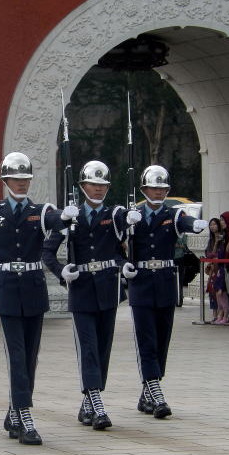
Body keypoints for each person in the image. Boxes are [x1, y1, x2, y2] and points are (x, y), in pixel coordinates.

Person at [42, 160, 140, 431]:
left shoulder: (112, 215)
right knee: (88, 348)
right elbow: (47, 253)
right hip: (82, 290)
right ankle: (97, 404)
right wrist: (63, 272)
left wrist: (124, 266)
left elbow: (117, 253)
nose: (98, 189)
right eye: (93, 185)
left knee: (103, 348)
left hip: (108, 289)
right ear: (83, 186)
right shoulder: (70, 217)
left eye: (102, 185)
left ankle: (88, 402)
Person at [0, 152, 66, 445]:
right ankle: (25, 416)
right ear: (5, 180)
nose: (22, 183)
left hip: (33, 288)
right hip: (7, 291)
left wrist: (65, 216)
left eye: (26, 178)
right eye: (16, 178)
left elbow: (53, 220)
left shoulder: (40, 211)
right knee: (16, 355)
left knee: (30, 357)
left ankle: (15, 409)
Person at [121, 165, 206, 419]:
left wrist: (196, 224)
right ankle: (155, 390)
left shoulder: (172, 215)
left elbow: (185, 222)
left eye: (162, 189)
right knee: (146, 338)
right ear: (144, 189)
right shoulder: (132, 215)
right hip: (141, 281)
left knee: (162, 340)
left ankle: (149, 389)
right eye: (153, 188)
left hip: (166, 282)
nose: (158, 192)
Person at [204, 218, 229, 324]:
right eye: (211, 225)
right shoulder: (211, 240)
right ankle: (216, 314)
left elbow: (220, 253)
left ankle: (225, 314)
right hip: (213, 269)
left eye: (215, 224)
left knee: (221, 291)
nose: (212, 227)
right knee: (213, 291)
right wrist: (215, 244)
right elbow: (209, 254)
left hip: (221, 267)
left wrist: (218, 242)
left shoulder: (223, 237)